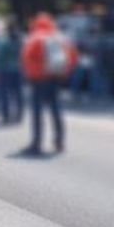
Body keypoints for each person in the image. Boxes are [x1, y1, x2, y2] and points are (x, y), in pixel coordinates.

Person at [21, 13, 78, 155]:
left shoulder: (35, 38)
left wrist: (29, 74)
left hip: (39, 79)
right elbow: (72, 57)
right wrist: (65, 73)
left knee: (37, 112)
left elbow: (26, 57)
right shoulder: (60, 37)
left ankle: (37, 143)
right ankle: (59, 141)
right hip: (56, 77)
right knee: (56, 109)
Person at [0, 19, 24, 124]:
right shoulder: (21, 40)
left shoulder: (4, 40)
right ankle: (19, 115)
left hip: (5, 70)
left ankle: (5, 115)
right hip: (18, 69)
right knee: (18, 93)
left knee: (4, 93)